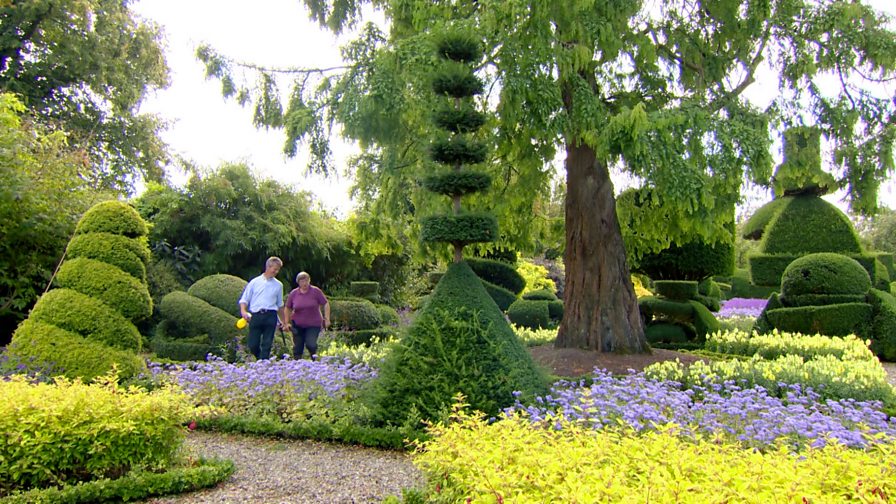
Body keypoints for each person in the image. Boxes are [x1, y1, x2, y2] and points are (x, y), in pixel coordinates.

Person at [238, 256, 288, 360]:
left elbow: (280, 305)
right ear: (268, 267)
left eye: (278, 270)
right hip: (256, 315)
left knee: (267, 343)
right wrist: (243, 311)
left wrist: (284, 321)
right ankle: (260, 359)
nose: (276, 272)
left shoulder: (278, 285)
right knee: (253, 344)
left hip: (271, 315)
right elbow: (244, 299)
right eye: (275, 269)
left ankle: (264, 363)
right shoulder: (254, 282)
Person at [285, 271, 330, 360]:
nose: (304, 283)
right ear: (298, 282)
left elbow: (326, 303)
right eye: (302, 281)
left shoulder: (315, 291)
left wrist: (327, 318)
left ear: (309, 281)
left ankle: (315, 362)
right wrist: (286, 322)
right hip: (297, 325)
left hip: (313, 324)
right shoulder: (294, 293)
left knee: (311, 344)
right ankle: (297, 367)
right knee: (297, 347)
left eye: (306, 281)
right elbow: (287, 307)